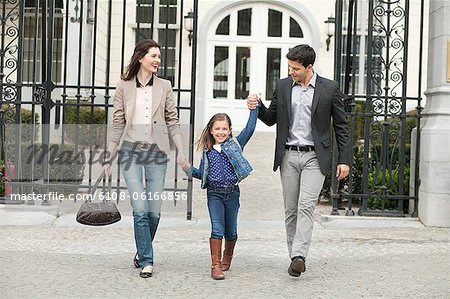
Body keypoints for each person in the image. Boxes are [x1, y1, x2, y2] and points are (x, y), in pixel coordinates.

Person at [247, 44, 351, 277]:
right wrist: (258, 107)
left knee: (306, 206)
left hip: (316, 156)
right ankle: (294, 254)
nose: (291, 71)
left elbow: (342, 128)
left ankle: (299, 255)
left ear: (309, 67)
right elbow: (271, 118)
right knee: (291, 209)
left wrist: (345, 160)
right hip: (289, 155)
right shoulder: (284, 86)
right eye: (289, 67)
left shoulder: (330, 88)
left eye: (295, 68)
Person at [103, 39, 189, 278]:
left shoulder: (165, 86)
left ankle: (142, 250)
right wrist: (109, 156)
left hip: (156, 153)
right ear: (140, 57)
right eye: (153, 56)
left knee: (154, 213)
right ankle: (147, 261)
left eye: (159, 56)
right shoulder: (124, 86)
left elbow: (173, 120)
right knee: (140, 209)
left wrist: (181, 151)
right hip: (130, 151)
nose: (157, 60)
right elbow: (118, 122)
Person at [184, 106, 258, 280]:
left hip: (232, 193)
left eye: (224, 128)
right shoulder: (207, 152)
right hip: (214, 194)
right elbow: (202, 174)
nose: (221, 132)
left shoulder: (236, 144)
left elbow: (250, 129)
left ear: (230, 130)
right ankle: (215, 265)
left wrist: (254, 108)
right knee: (217, 229)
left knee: (230, 231)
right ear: (211, 130)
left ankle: (228, 257)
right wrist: (188, 169)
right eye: (217, 128)